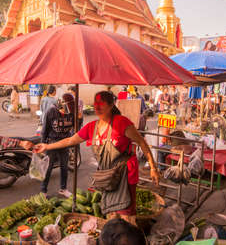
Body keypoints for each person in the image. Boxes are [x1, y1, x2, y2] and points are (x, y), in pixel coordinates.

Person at [34, 91, 159, 225]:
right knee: (111, 214)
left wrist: (153, 167)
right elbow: (70, 140)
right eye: (95, 104)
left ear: (111, 106)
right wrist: (47, 146)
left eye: (101, 104)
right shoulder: (91, 127)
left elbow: (141, 142)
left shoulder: (122, 123)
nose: (97, 107)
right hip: (107, 177)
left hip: (125, 176)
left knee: (126, 216)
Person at [41, 94, 75, 197]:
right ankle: (43, 191)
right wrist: (43, 144)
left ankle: (63, 188)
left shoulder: (72, 111)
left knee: (64, 167)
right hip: (52, 143)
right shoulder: (51, 111)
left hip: (65, 142)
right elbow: (45, 130)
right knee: (48, 168)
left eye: (67, 112)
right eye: (63, 110)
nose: (65, 113)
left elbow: (76, 127)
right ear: (59, 105)